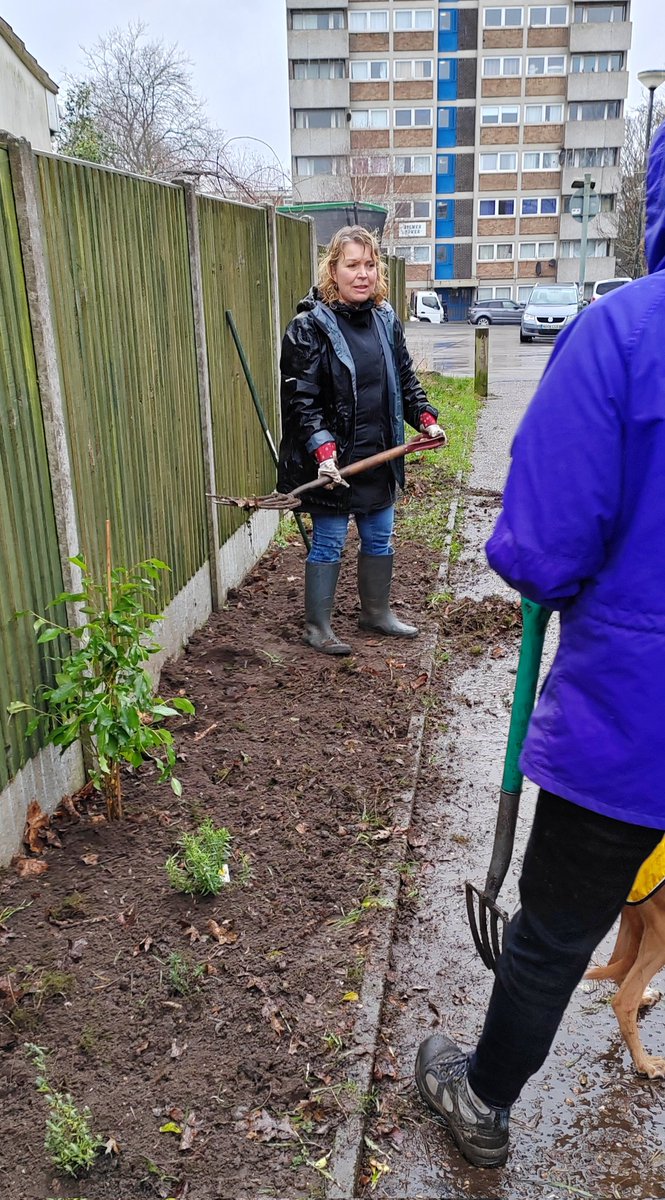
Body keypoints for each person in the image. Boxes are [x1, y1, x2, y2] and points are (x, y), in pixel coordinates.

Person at [415, 121, 665, 1170]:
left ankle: (479, 1101)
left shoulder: (623, 335)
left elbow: (539, 546)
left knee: (557, 927)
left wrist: (550, 579)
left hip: (632, 711)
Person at [277, 225, 445, 655]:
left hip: (378, 455)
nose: (363, 274)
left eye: (370, 265)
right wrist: (322, 448)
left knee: (380, 538)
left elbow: (404, 380)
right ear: (333, 269)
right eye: (352, 264)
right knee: (330, 542)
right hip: (334, 465)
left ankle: (376, 614)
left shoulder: (385, 319)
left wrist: (424, 418)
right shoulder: (308, 327)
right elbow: (301, 398)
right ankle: (318, 628)